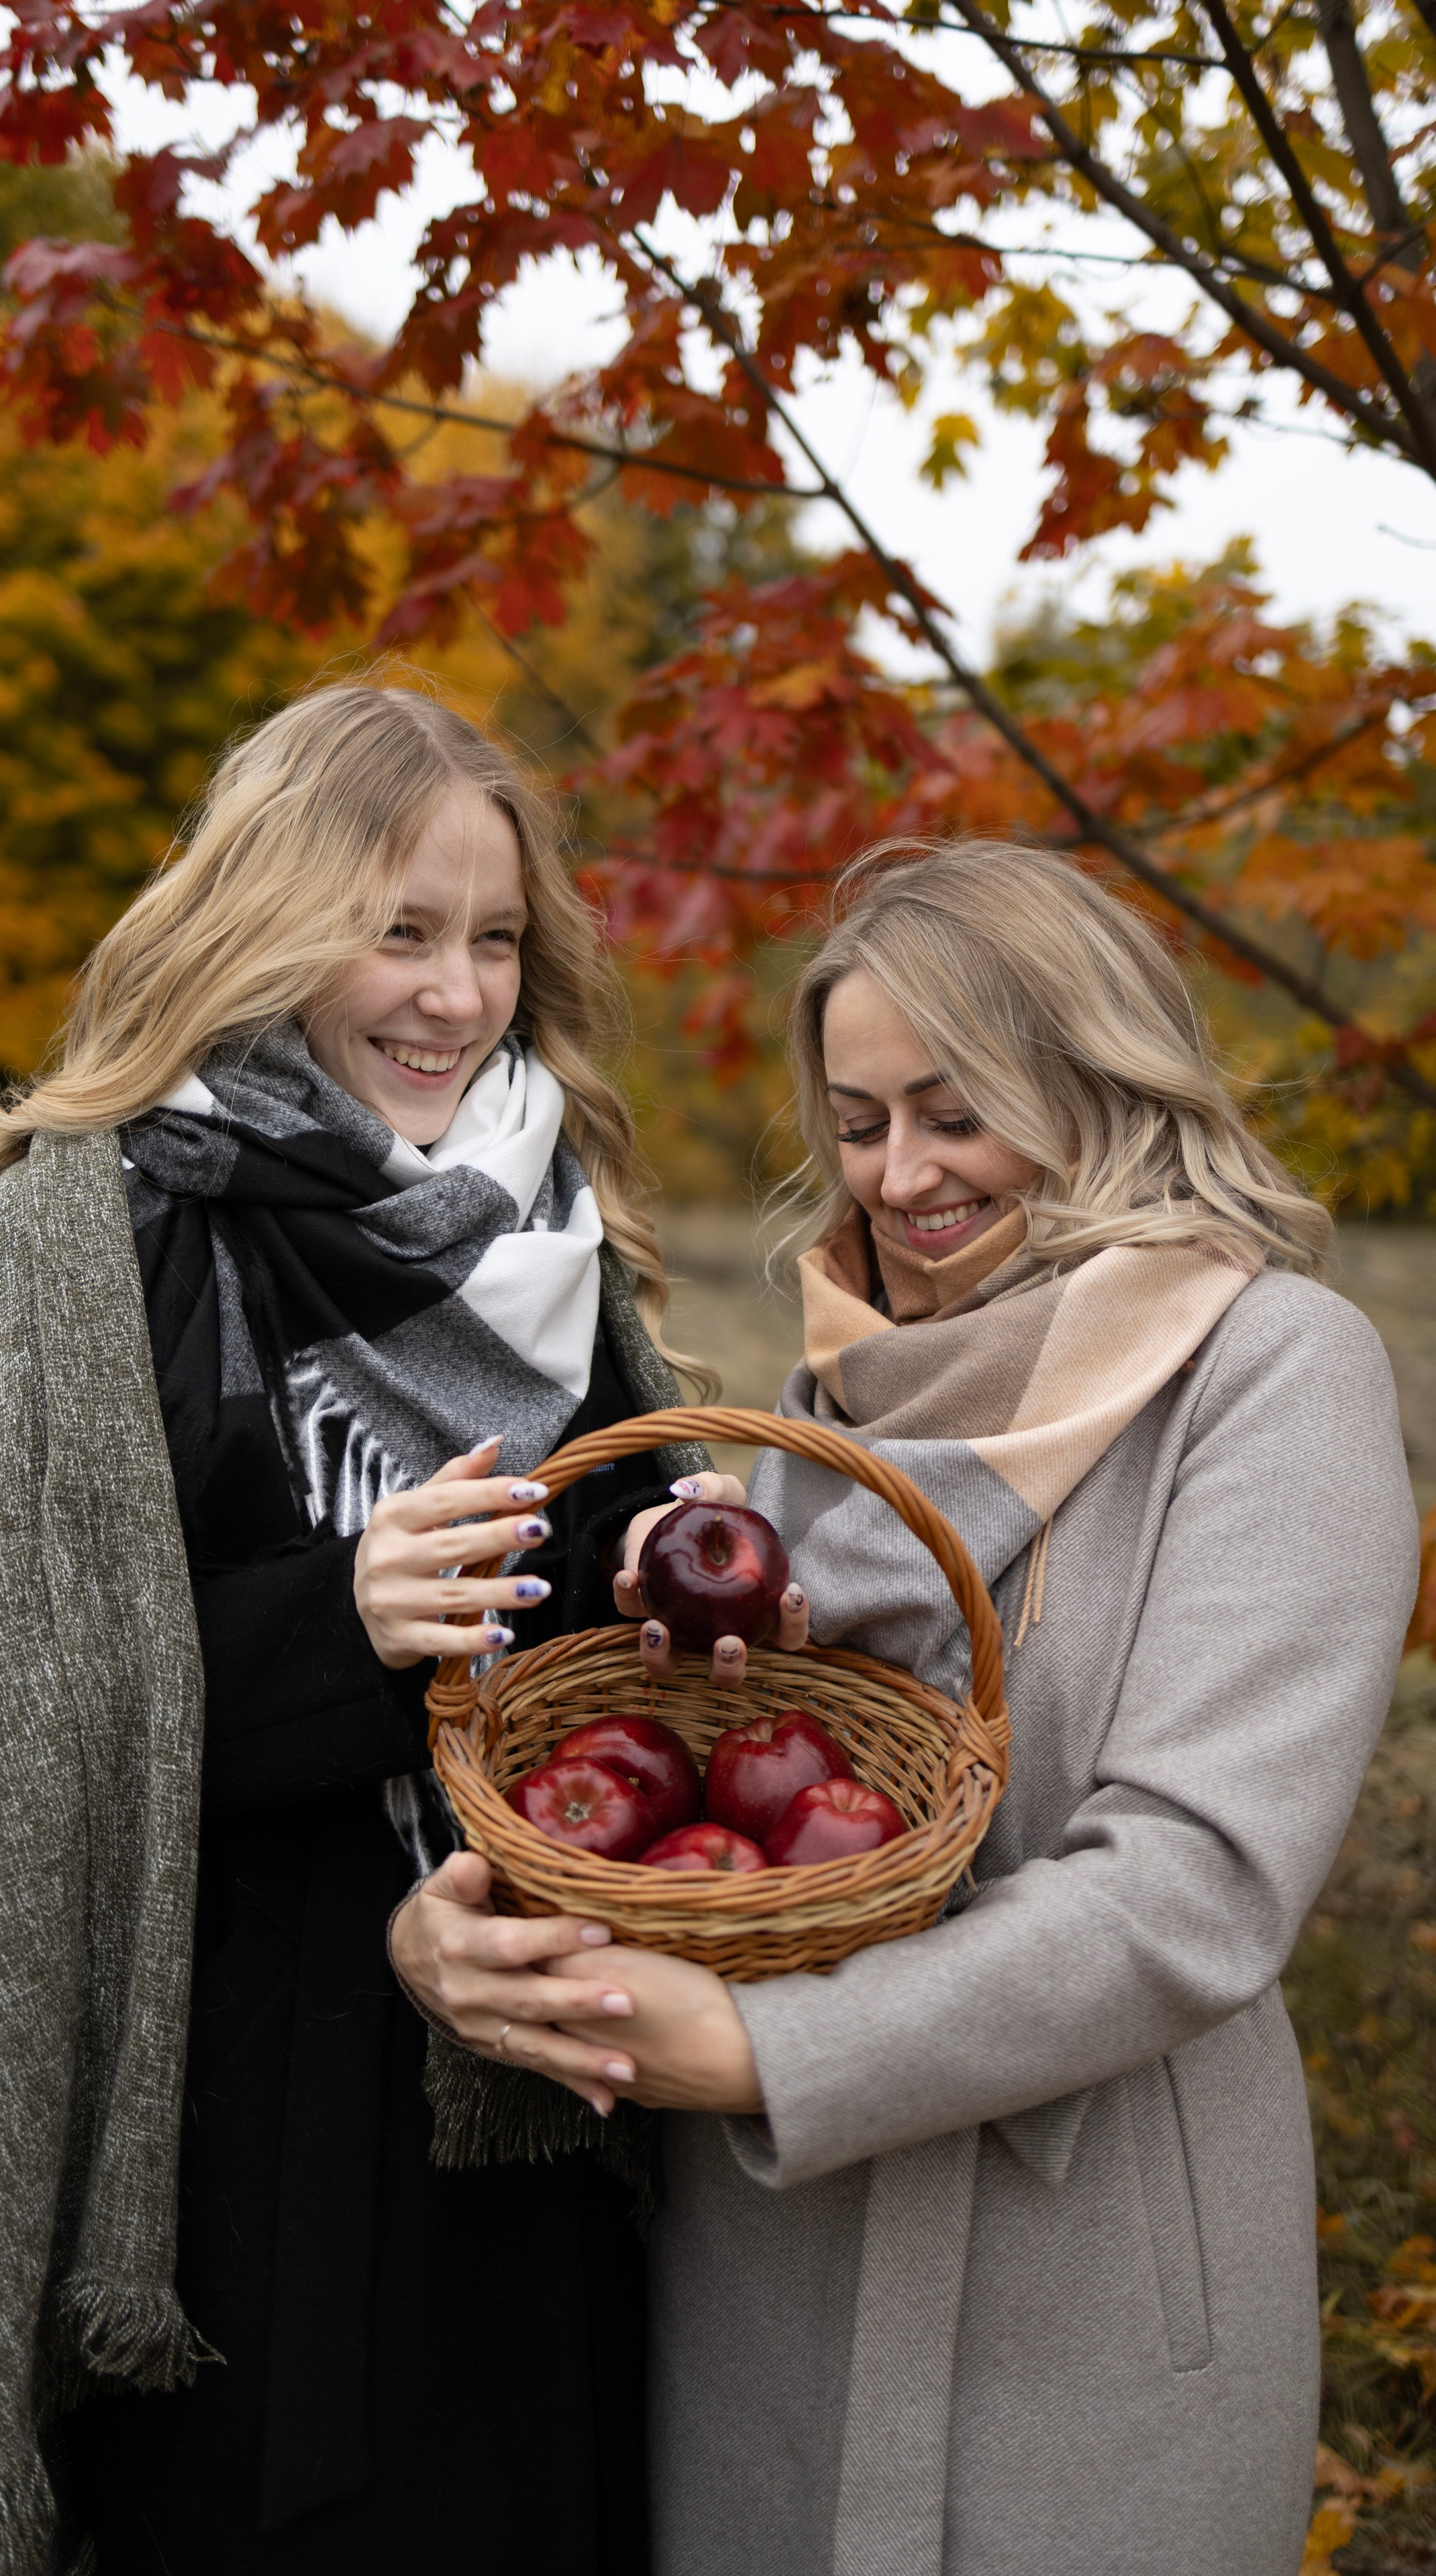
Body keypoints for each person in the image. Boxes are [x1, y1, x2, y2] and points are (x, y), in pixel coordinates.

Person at [403, 839, 1421, 2576]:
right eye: (861, 1120)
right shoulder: (842, 1392)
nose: (900, 1176)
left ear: (1096, 1081)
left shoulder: (1274, 1371)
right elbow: (740, 1802)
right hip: (771, 2286)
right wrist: (494, 1944)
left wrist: (766, 2052)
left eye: (958, 1112)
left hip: (1080, 2277)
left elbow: (1197, 1887)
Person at [0, 682, 732, 2576]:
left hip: (530, 2079)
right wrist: (343, 1621)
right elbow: (13, 1731)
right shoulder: (94, 1234)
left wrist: (657, 1572)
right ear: (268, 912)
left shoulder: (546, 1227)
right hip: (234, 2103)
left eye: (494, 940)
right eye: (396, 929)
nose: (455, 995)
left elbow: (577, 1621)